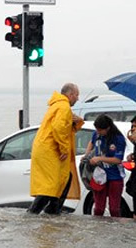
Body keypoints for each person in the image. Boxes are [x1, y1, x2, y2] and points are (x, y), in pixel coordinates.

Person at [28, 83, 84, 215]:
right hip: (51, 150)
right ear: (70, 95)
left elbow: (67, 129)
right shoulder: (63, 106)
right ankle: (34, 213)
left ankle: (52, 211)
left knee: (63, 181)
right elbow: (58, 128)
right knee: (51, 186)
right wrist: (64, 149)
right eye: (77, 95)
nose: (77, 98)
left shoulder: (58, 105)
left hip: (46, 149)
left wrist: (78, 121)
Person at [83, 114, 126, 217]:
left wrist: (100, 158)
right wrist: (87, 155)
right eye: (96, 129)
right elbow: (91, 142)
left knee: (114, 209)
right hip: (99, 175)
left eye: (100, 130)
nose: (98, 132)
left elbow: (117, 160)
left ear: (108, 128)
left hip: (114, 176)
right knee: (98, 208)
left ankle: (115, 229)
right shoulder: (96, 134)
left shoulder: (119, 139)